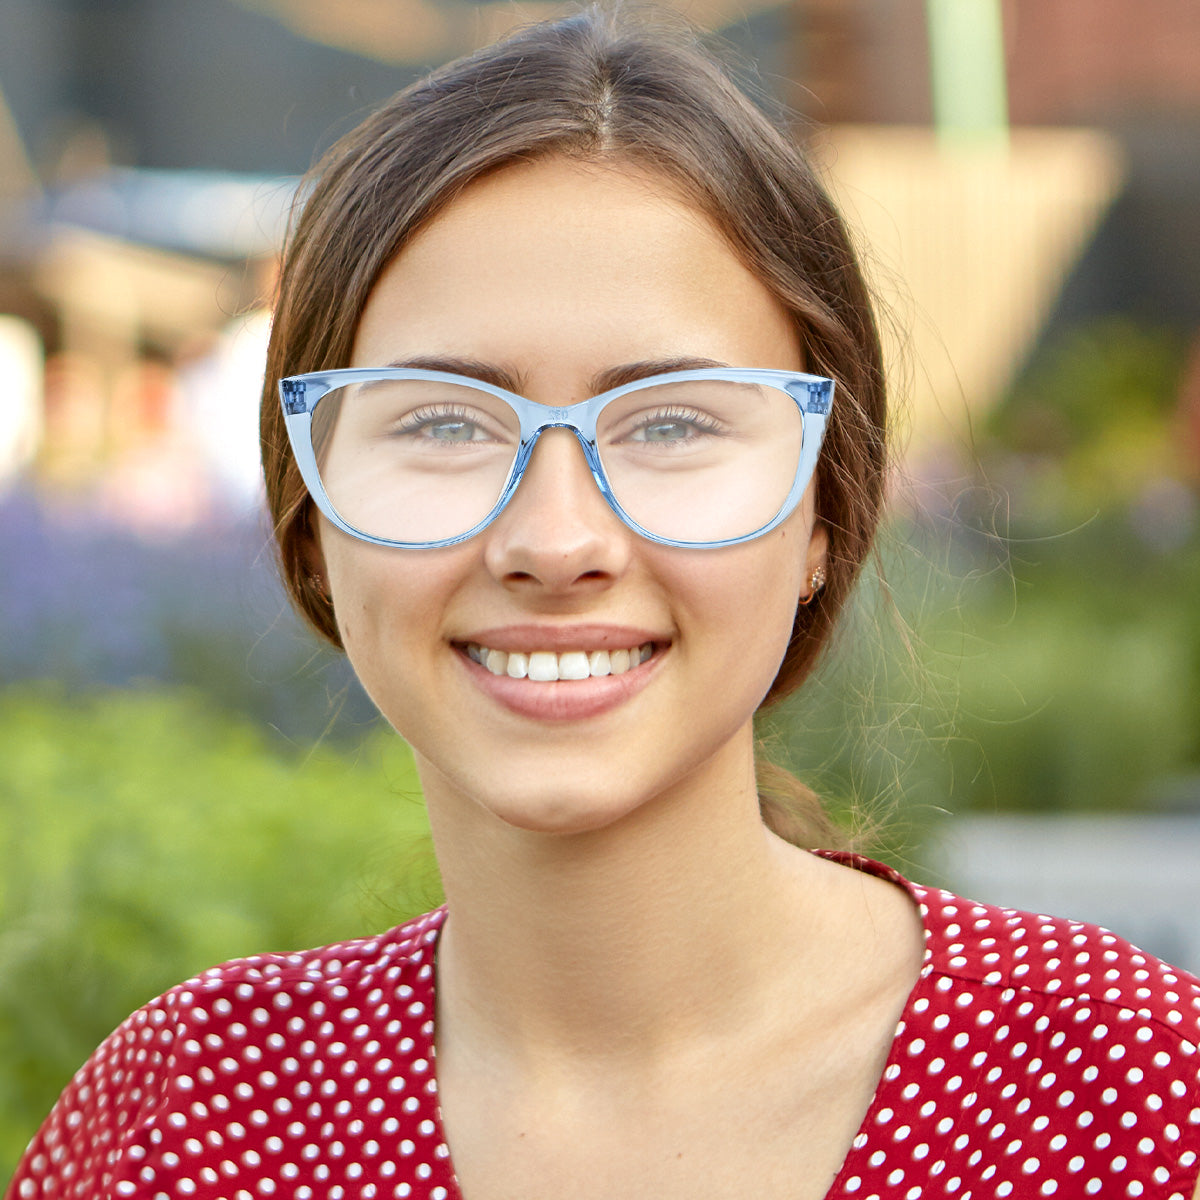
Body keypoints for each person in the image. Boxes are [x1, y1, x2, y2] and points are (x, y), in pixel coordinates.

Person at [8, 8, 1200, 1199]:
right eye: (442, 421)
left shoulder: (1132, 1087)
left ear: (823, 518)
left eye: (673, 421)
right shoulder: (189, 1115)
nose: (556, 541)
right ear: (309, 521)